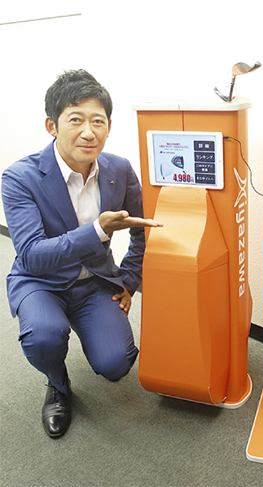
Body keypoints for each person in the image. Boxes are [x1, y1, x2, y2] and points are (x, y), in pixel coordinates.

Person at [1, 69, 162, 439]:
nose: (89, 132)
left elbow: (142, 229)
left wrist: (129, 281)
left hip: (95, 283)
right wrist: (97, 230)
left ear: (109, 127)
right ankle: (58, 384)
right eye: (76, 119)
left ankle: (89, 330)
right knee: (44, 336)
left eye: (97, 121)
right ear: (52, 125)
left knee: (116, 364)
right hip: (41, 282)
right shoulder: (19, 178)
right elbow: (32, 255)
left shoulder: (119, 169)